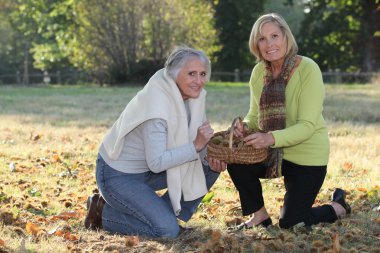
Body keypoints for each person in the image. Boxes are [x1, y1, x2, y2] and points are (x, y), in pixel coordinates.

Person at [84, 46, 227, 238]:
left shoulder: (193, 98)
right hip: (118, 176)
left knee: (209, 163)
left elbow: (198, 145)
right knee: (167, 232)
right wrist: (196, 146)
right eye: (191, 74)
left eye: (202, 74)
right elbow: (158, 162)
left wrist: (217, 149)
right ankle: (103, 213)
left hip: (148, 172)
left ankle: (166, 216)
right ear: (173, 74)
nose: (199, 81)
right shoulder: (157, 105)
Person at [226, 13, 351, 230]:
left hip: (306, 155)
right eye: (262, 39)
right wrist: (244, 127)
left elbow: (307, 126)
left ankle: (338, 206)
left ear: (286, 37)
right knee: (236, 160)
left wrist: (270, 138)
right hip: (273, 152)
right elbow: (254, 115)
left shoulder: (308, 69)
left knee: (292, 222)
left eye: (274, 36)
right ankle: (260, 216)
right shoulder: (258, 72)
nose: (269, 44)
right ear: (256, 44)